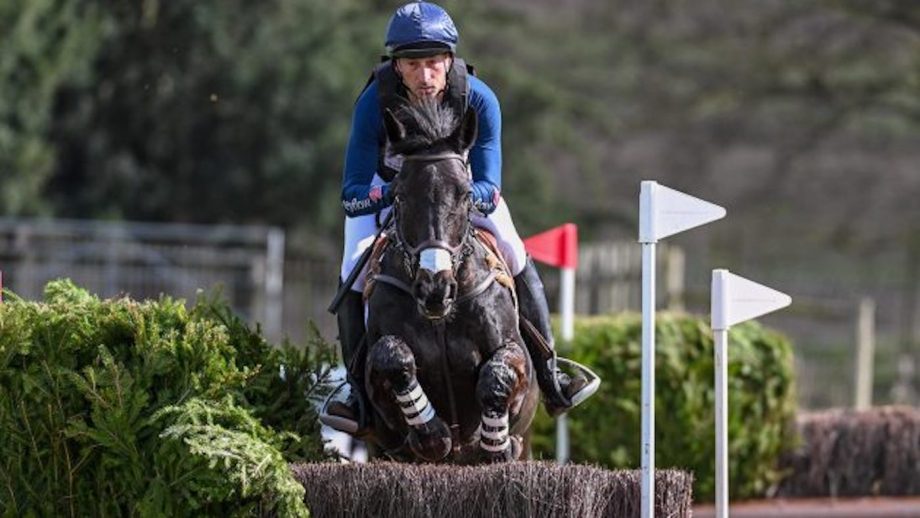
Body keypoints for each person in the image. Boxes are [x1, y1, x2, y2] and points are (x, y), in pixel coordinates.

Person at [327, 1, 596, 432]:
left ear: (449, 60)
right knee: (353, 266)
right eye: (413, 64)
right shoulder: (373, 103)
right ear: (396, 67)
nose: (425, 76)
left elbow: (491, 184)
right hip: (392, 199)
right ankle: (355, 392)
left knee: (512, 249)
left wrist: (455, 198)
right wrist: (394, 193)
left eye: (433, 63)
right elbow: (352, 192)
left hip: (459, 197)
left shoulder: (479, 98)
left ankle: (550, 372)